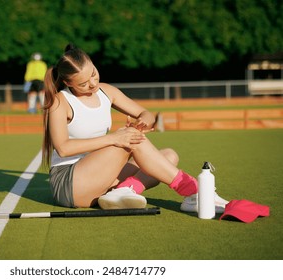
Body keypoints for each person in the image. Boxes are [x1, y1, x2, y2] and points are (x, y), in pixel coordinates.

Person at [42, 44, 228, 211]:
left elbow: (145, 114)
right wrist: (115, 138)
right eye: (83, 83)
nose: (93, 83)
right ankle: (195, 191)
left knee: (169, 156)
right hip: (70, 184)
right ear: (67, 83)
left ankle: (122, 191)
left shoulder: (107, 91)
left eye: (93, 74)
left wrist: (141, 124)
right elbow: (64, 148)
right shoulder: (60, 102)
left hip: (100, 175)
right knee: (129, 138)